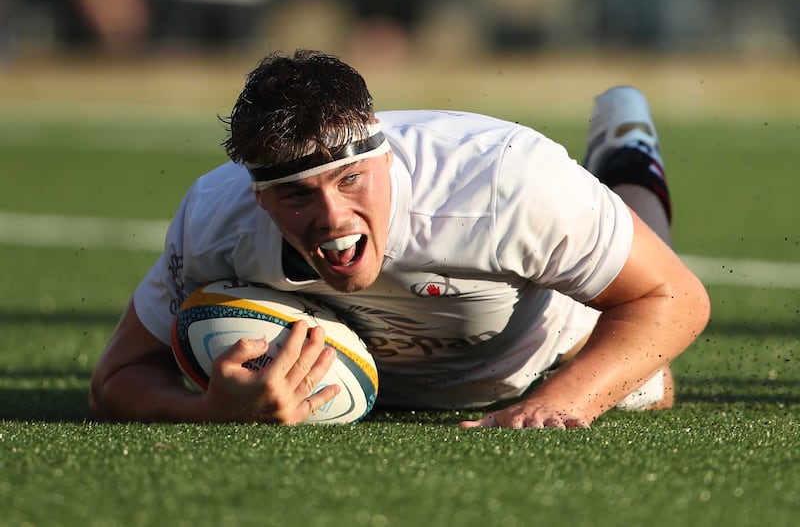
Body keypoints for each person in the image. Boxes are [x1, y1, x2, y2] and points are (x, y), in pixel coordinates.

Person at [89, 49, 710, 428]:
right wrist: (208, 412)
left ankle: (624, 151)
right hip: (383, 378)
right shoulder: (214, 217)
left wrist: (564, 399)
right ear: (259, 197)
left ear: (386, 156)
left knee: (651, 364)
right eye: (298, 195)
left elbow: (675, 299)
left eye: (350, 179)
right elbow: (116, 378)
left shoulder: (505, 182)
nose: (332, 219)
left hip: (541, 348)